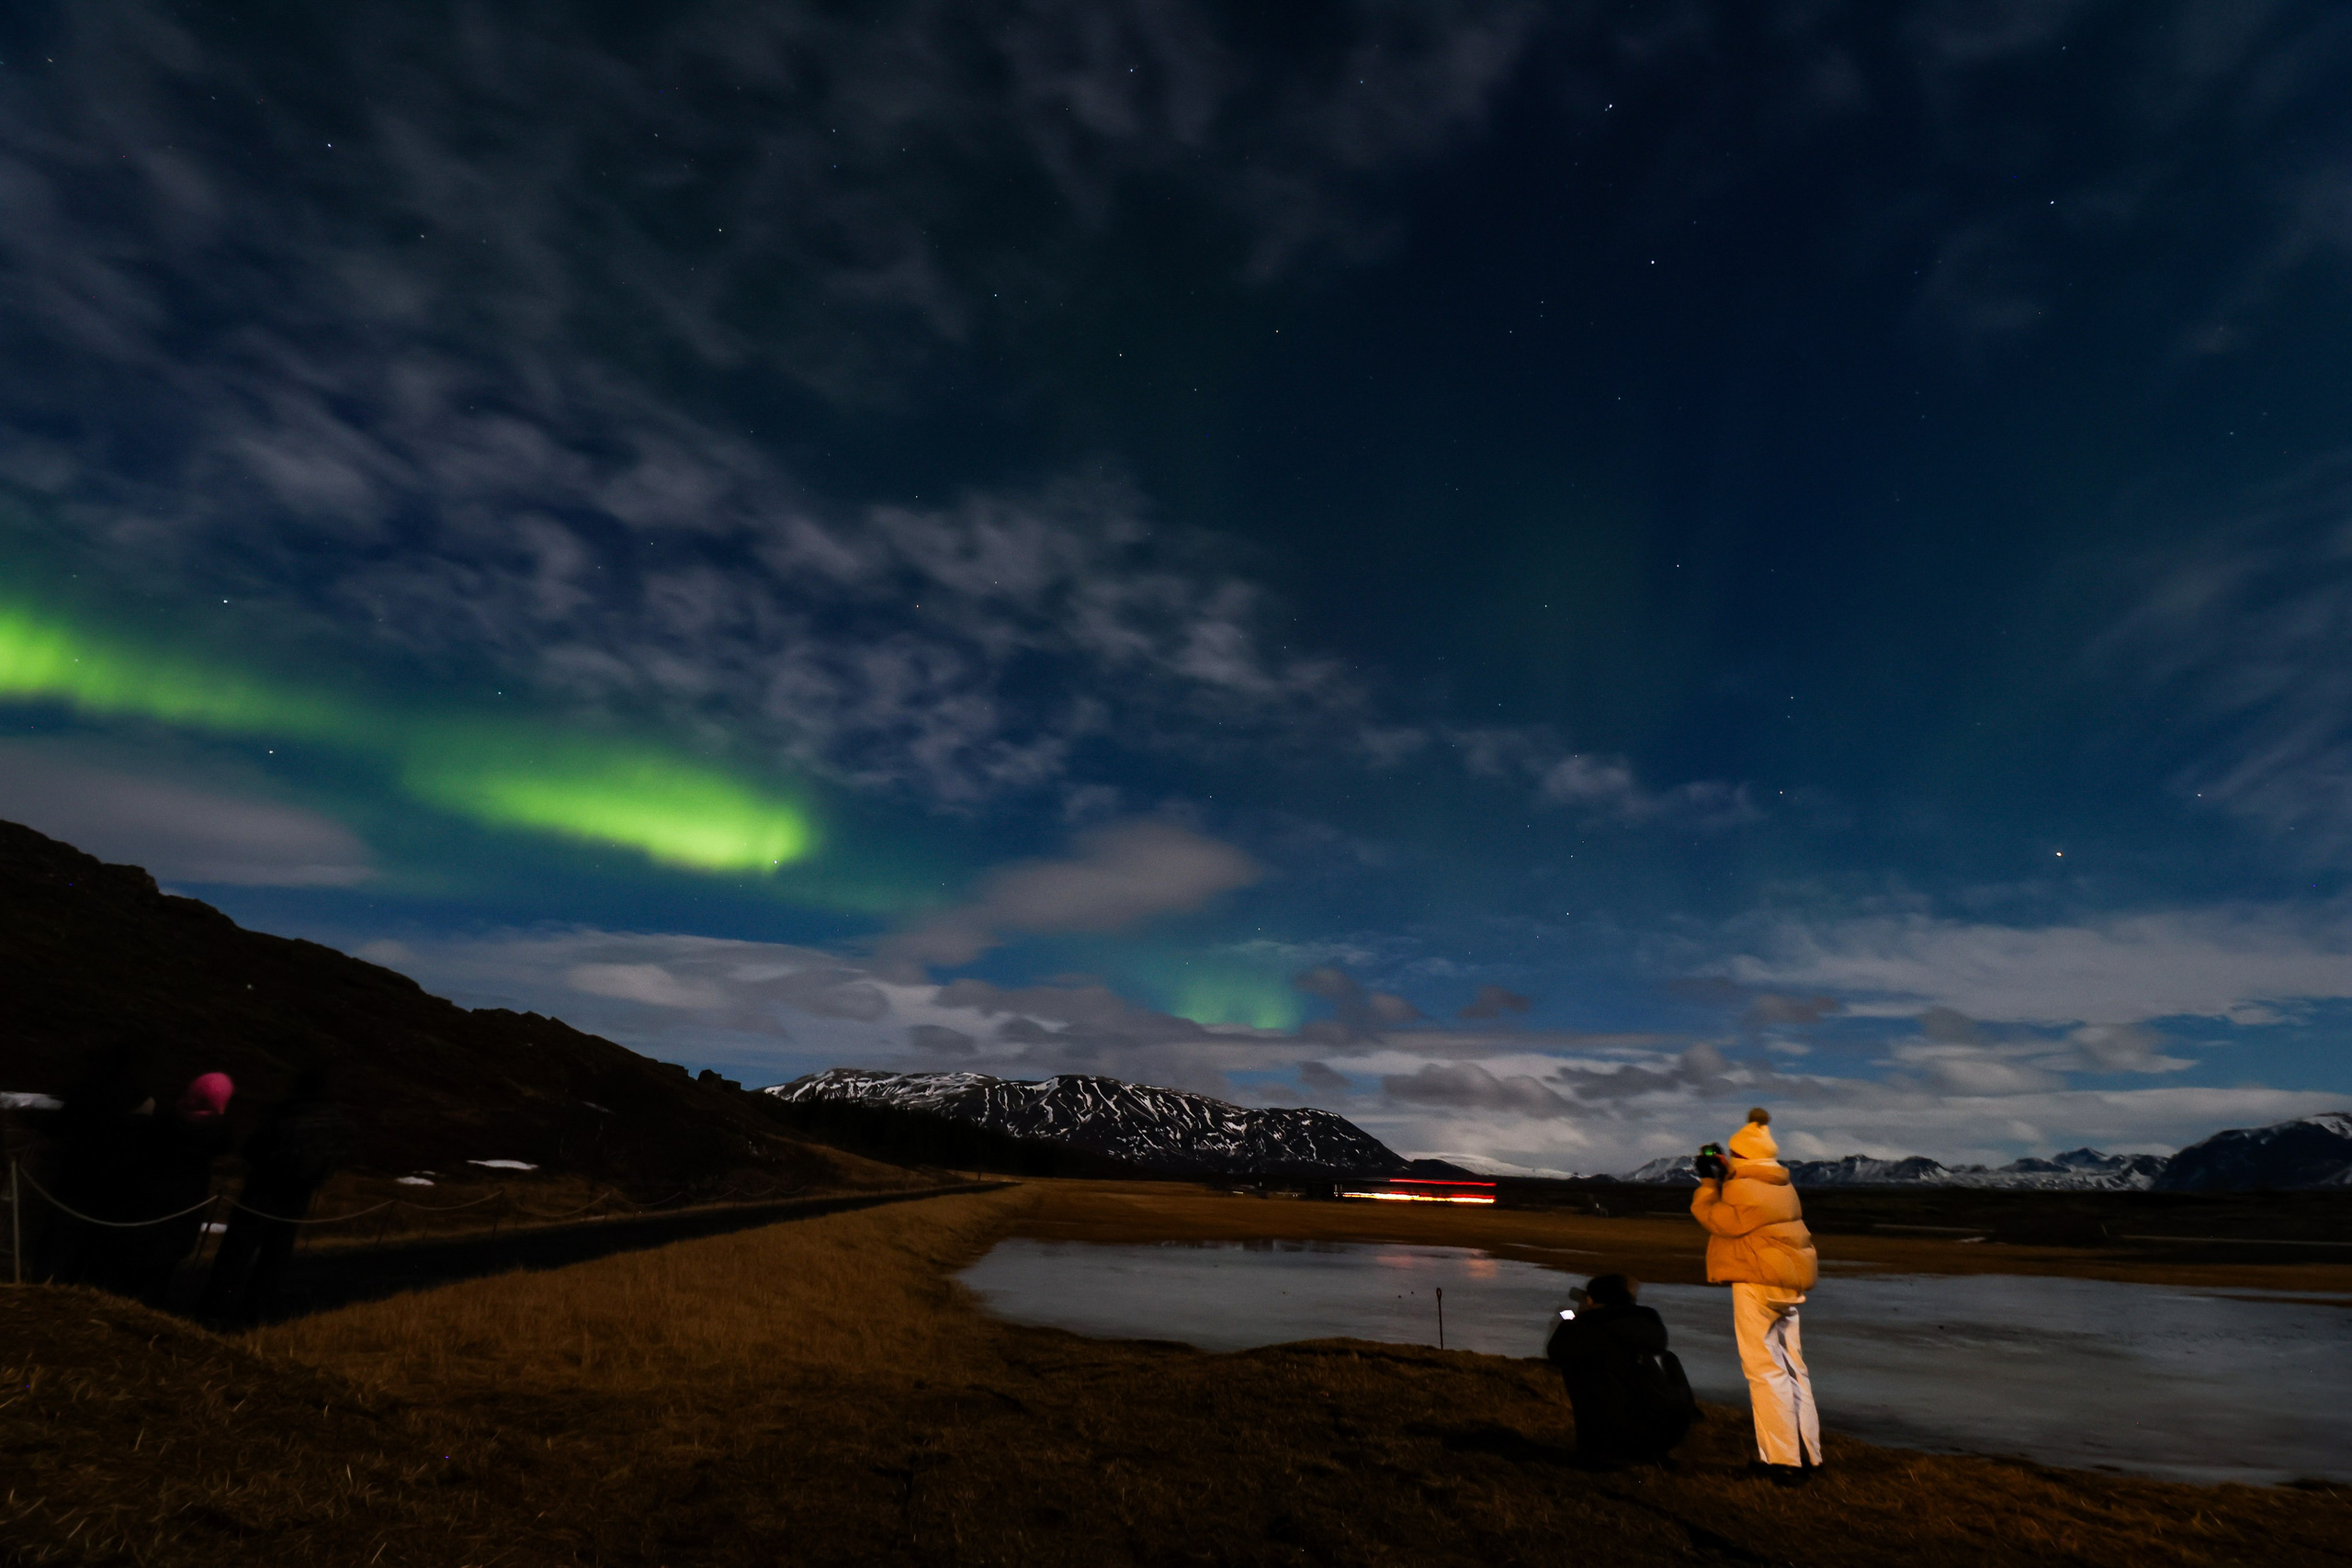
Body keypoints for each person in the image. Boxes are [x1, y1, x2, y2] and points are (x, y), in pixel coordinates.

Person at [1689, 1107, 1821, 1485]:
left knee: (1764, 1371)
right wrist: (1726, 1169)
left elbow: (1717, 1219)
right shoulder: (1780, 1183)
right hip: (1788, 1283)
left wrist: (1706, 1180)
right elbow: (1748, 1188)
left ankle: (1781, 1462)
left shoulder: (1743, 1189)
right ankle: (1809, 1454)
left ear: (1742, 1156)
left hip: (1757, 1281)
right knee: (1795, 1368)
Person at [200, 1066, 348, 1325]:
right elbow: (335, 1158)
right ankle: (255, 1314)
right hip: (296, 1200)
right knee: (274, 1259)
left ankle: (216, 1311)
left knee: (236, 1256)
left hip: (261, 1194)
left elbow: (252, 1149)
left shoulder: (284, 1112)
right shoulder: (333, 1120)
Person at [92, 1072, 235, 1307]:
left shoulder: (163, 1121)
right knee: (157, 1276)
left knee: (120, 1270)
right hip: (182, 1211)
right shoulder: (217, 1134)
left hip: (142, 1203)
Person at [1545, 1272, 1697, 1468]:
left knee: (1581, 1368)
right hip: (1671, 1429)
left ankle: (1604, 1452)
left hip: (1619, 1436)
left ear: (1592, 1299)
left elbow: (1556, 1352)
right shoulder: (1646, 1326)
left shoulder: (1587, 1329)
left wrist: (1572, 1322)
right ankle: (1641, 1452)